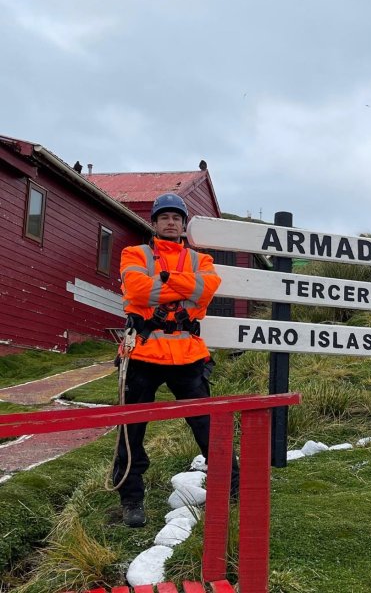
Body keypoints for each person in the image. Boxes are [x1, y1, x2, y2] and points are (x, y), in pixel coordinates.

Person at [114, 192, 239, 527]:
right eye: (164, 217)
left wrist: (164, 280)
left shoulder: (202, 260)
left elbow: (207, 289)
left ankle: (233, 487)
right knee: (131, 430)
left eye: (176, 218)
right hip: (143, 352)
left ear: (184, 224)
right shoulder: (134, 253)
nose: (171, 222)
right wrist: (184, 287)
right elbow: (137, 291)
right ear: (154, 223)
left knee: (208, 426)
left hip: (188, 355)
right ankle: (131, 499)